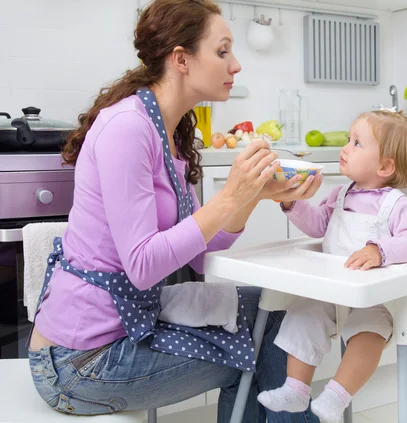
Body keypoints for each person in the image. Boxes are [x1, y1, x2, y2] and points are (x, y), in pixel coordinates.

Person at [27, 1, 323, 422]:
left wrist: (255, 195)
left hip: (131, 322)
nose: (235, 65)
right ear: (181, 59)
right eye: (222, 51)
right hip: (79, 362)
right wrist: (229, 197)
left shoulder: (170, 134)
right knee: (259, 343)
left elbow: (201, 255)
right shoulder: (128, 129)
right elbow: (143, 267)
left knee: (271, 308)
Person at [257, 110, 407, 422]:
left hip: (374, 300)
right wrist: (290, 202)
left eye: (357, 143)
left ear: (385, 166)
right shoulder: (340, 195)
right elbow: (316, 226)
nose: (345, 148)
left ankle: (337, 396)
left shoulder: (395, 204)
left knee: (370, 332)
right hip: (332, 292)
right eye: (348, 140)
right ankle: (297, 389)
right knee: (301, 314)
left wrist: (380, 250)